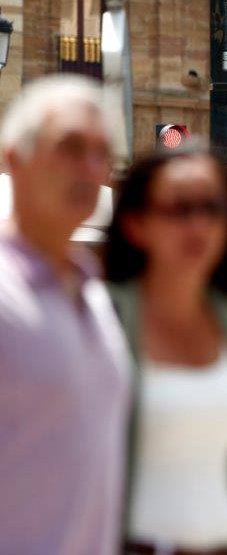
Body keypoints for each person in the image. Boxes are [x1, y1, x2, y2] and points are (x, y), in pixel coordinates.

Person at [0, 75, 132, 554]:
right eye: (71, 147)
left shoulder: (92, 295)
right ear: (14, 158)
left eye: (102, 154)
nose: (90, 168)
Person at [104, 144, 227, 555]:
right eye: (179, 209)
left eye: (212, 208)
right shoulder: (105, 319)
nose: (198, 225)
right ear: (136, 223)